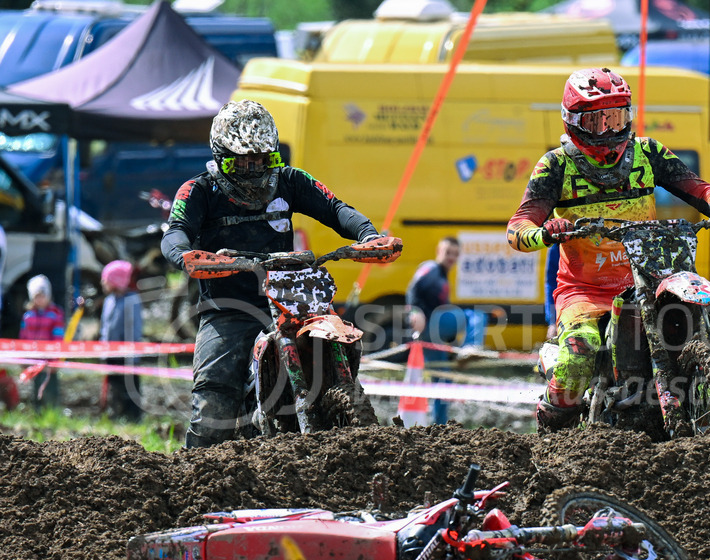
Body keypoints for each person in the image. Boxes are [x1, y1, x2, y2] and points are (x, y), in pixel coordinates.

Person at [506, 67, 710, 431]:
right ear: (573, 122)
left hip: (649, 278)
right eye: (597, 121)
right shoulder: (555, 166)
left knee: (687, 318)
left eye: (616, 118)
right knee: (579, 356)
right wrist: (543, 233)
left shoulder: (647, 152)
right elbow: (518, 227)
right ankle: (553, 426)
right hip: (585, 291)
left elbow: (699, 188)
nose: (609, 130)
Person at [162, 99, 396, 448]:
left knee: (340, 338)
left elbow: (335, 209)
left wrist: (368, 235)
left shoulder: (290, 180)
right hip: (230, 310)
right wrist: (185, 254)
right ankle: (195, 470)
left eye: (262, 159)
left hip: (293, 299)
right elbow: (176, 232)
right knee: (215, 399)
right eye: (243, 161)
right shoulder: (199, 191)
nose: (254, 168)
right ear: (221, 156)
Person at [405, 236, 486, 424]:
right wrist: (415, 311)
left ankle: (439, 426)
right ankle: (471, 346)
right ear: (438, 251)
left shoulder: (442, 277)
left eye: (455, 254)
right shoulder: (431, 268)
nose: (451, 257)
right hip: (430, 324)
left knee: (442, 378)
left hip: (432, 335)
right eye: (448, 252)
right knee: (476, 316)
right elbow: (412, 288)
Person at [99, 260, 144, 421]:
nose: (102, 283)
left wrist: (132, 351)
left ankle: (133, 416)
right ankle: (115, 413)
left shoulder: (132, 300)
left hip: (127, 354)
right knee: (114, 384)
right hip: (111, 353)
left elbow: (134, 327)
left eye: (106, 280)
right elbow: (105, 327)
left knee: (130, 386)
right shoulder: (109, 301)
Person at [19, 274, 64, 409]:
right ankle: (37, 411)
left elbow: (58, 338)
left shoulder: (55, 314)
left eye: (42, 295)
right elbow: (23, 338)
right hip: (33, 359)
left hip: (49, 360)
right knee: (36, 386)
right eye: (36, 296)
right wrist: (23, 357)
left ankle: (53, 410)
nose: (40, 299)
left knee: (51, 386)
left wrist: (55, 358)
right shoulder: (28, 316)